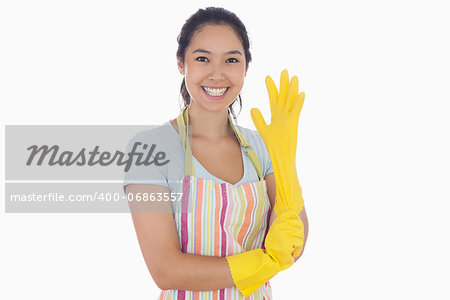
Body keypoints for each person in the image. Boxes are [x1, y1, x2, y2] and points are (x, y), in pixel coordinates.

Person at [123, 7, 309, 299]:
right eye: (202, 58)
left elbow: (295, 241)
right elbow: (165, 268)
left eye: (232, 59)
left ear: (246, 67)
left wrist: (285, 160)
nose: (217, 73)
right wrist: (262, 261)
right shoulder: (149, 149)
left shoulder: (263, 146)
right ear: (181, 63)